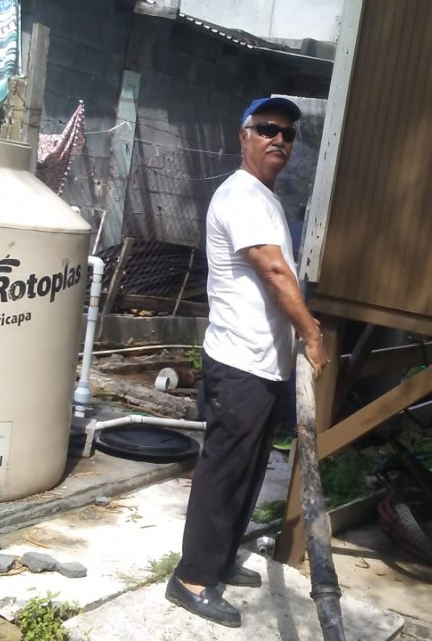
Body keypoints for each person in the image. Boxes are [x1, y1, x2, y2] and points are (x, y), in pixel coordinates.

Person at [165, 96, 329, 628]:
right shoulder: (240, 196)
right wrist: (311, 332)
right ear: (244, 136)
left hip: (262, 365)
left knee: (250, 470)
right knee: (224, 473)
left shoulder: (264, 196)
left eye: (287, 133)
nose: (278, 138)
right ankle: (190, 579)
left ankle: (218, 561)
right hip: (238, 364)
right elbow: (276, 273)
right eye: (266, 129)